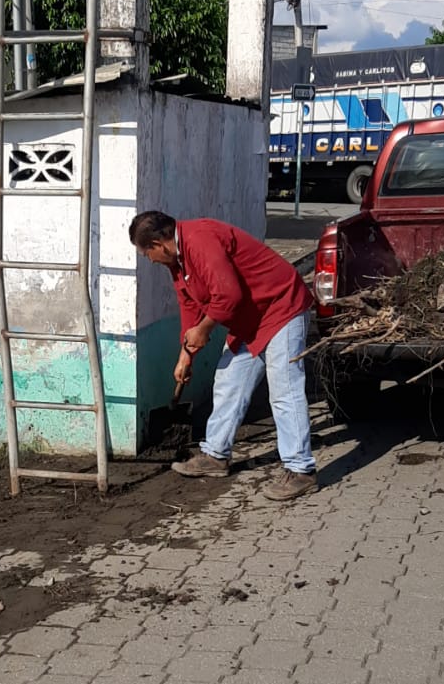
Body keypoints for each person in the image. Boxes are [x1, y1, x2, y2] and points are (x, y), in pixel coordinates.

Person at [129, 210, 318, 501]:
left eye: (146, 254)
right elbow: (189, 304)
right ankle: (215, 455)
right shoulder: (177, 260)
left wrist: (204, 330)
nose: (150, 261)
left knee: (284, 389)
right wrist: (186, 354)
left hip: (281, 307)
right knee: (229, 382)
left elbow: (229, 295)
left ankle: (300, 470)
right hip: (250, 319)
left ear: (158, 244)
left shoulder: (200, 240)